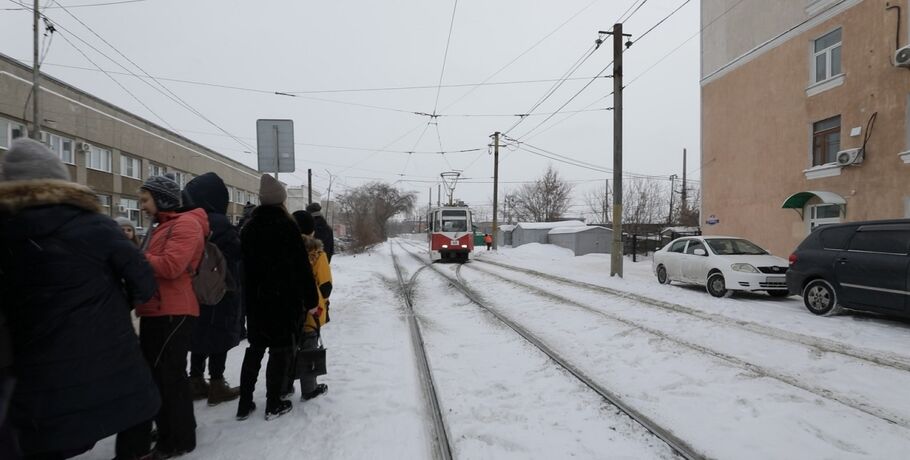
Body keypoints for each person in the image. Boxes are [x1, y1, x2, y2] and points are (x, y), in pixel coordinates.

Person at [0, 138, 160, 459]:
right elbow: (143, 278)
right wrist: (118, 304)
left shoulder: (7, 229)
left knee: (46, 437)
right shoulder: (94, 224)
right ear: (61, 178)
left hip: (37, 367)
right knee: (133, 411)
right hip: (109, 349)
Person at [135, 174, 208, 458]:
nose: (141, 206)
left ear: (161, 199)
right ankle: (177, 429)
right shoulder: (161, 226)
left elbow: (171, 266)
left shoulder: (186, 224)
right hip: (158, 309)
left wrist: (134, 255)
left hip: (174, 311)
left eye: (145, 200)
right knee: (162, 375)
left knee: (168, 376)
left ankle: (176, 440)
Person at [237, 175, 318, 421]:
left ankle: (244, 403)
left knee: (255, 350)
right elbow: (301, 267)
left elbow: (244, 267)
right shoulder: (287, 226)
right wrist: (312, 300)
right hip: (283, 302)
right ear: (282, 200)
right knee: (279, 351)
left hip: (256, 301)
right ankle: (273, 403)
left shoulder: (249, 227)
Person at [182, 173, 243, 406]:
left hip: (193, 290)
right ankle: (217, 383)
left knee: (198, 333)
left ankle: (195, 379)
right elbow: (236, 253)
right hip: (222, 289)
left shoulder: (187, 221)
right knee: (219, 335)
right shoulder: (219, 223)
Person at [288, 210, 332, 401]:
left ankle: (284, 387)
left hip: (287, 310)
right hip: (311, 312)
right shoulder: (317, 253)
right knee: (308, 348)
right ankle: (309, 388)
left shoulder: (284, 249)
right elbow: (326, 285)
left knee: (286, 350)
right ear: (312, 231)